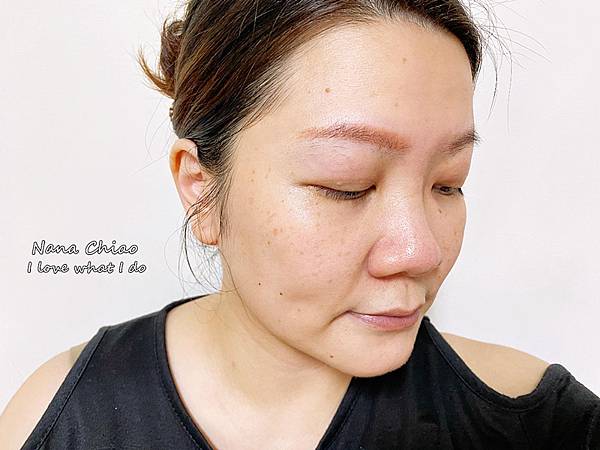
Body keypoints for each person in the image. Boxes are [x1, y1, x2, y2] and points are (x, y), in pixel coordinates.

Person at [1, 1, 599, 449]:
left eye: (448, 182)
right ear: (201, 187)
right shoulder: (60, 419)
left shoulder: (540, 424)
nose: (421, 251)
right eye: (347, 185)